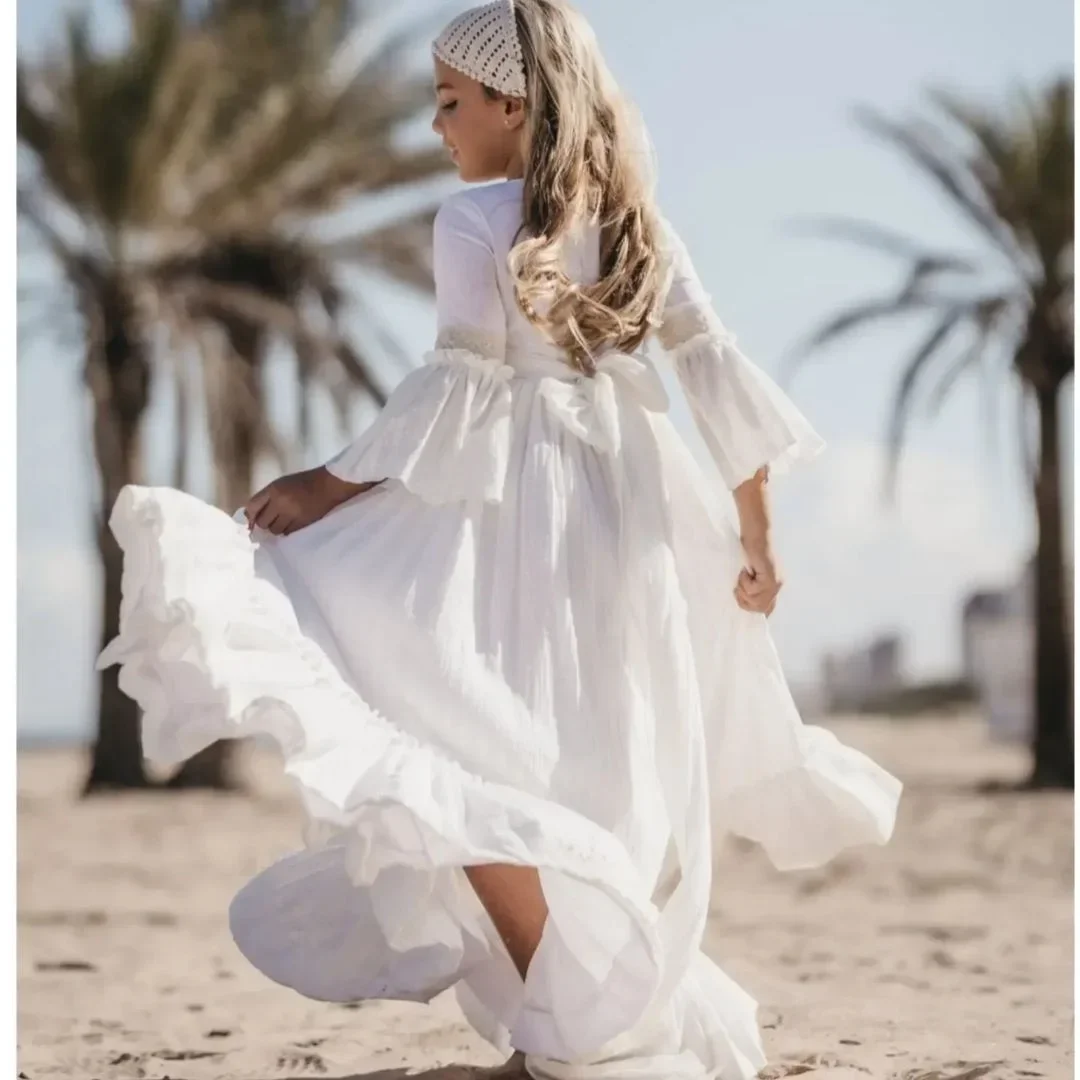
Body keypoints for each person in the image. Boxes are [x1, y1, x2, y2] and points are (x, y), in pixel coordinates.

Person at [98, 1, 902, 1077]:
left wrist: (328, 486)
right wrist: (758, 532)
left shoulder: (476, 219)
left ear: (511, 106)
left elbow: (457, 389)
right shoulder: (640, 225)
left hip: (513, 505)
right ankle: (572, 1027)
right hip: (636, 507)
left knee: (466, 750)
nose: (437, 128)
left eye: (449, 103)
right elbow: (713, 371)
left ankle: (573, 1032)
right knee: (581, 767)